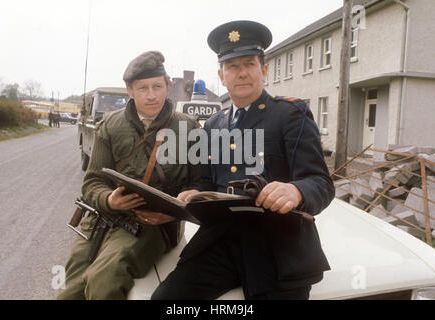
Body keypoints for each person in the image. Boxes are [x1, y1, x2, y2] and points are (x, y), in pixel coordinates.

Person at [152, 21, 335, 300]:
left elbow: (320, 182)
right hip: (220, 242)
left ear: (263, 70)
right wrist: (196, 194)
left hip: (277, 246)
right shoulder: (213, 125)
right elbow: (208, 182)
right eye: (232, 66)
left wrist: (296, 191)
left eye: (249, 64)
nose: (242, 73)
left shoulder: (290, 115)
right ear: (221, 75)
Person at [57, 51, 201, 300]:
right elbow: (93, 182)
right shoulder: (111, 125)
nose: (152, 95)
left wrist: (183, 201)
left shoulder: (188, 128)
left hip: (154, 225)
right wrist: (108, 200)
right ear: (130, 91)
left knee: (104, 282)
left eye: (158, 86)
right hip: (104, 218)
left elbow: (199, 183)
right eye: (142, 88)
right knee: (70, 292)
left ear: (168, 86)